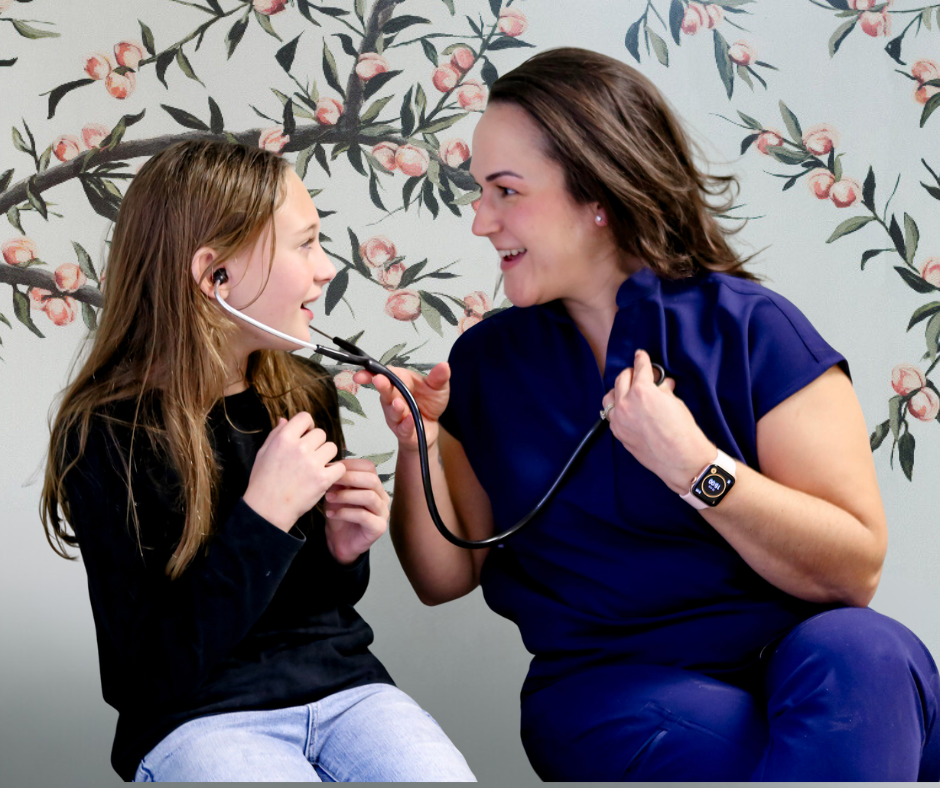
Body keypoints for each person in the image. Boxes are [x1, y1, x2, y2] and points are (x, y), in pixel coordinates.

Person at [354, 48, 940, 781]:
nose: (480, 221)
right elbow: (444, 575)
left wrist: (694, 467)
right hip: (614, 690)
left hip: (799, 669)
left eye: (505, 191)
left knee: (867, 650)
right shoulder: (486, 363)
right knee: (792, 753)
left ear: (597, 194)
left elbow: (853, 572)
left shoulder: (756, 330)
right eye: (480, 192)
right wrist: (419, 442)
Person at [40, 140, 475, 783]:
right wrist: (263, 515)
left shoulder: (304, 391)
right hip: (199, 716)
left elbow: (315, 604)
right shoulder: (103, 434)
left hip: (347, 691)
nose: (325, 270)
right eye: (305, 245)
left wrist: (343, 552)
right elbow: (146, 676)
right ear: (214, 275)